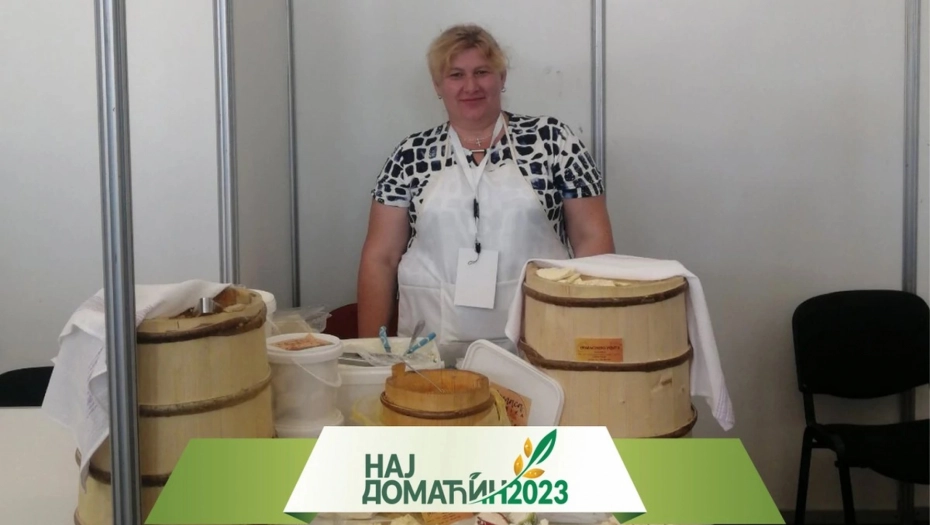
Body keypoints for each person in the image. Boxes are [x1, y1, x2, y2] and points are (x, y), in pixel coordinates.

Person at [357, 23, 615, 365]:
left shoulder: (553, 141)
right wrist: (370, 357)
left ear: (501, 77)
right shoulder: (409, 155)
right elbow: (381, 258)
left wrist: (592, 336)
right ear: (437, 85)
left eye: (482, 72)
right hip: (429, 357)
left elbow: (591, 240)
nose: (470, 86)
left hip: (542, 349)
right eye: (456, 75)